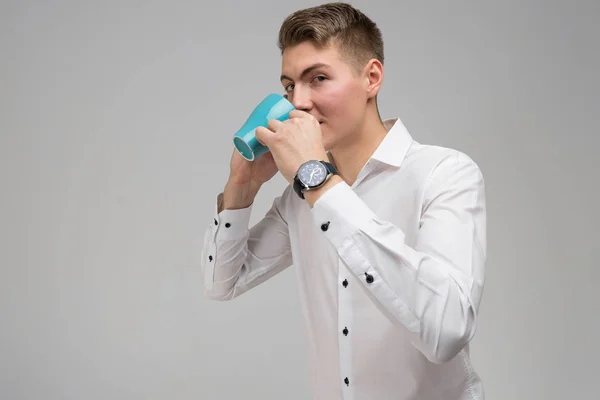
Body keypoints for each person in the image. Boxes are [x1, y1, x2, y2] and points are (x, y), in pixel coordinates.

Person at [200, 2, 487, 399]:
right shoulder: (299, 198)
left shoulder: (445, 174)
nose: (297, 102)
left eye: (317, 78)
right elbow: (221, 283)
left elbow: (446, 331)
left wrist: (318, 181)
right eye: (288, 86)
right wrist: (241, 187)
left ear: (371, 78)